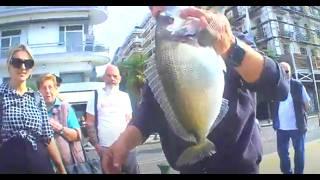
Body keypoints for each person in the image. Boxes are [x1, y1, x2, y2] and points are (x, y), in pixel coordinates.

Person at [102, 6, 290, 174]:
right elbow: (147, 115)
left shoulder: (234, 39)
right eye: (151, 7)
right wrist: (121, 145)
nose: (155, 10)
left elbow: (279, 88)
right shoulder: (161, 60)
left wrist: (230, 47)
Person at [0, 44, 66, 174]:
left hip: (39, 162)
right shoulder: (1, 95)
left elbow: (47, 137)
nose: (23, 67)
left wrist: (61, 168)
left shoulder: (37, 98)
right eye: (17, 62)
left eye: (27, 63)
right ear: (9, 65)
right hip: (9, 163)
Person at [86, 64, 140, 174]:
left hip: (126, 147)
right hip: (106, 149)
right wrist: (97, 147)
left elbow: (129, 121)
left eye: (115, 76)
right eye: (109, 76)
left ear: (120, 79)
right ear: (104, 78)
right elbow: (89, 123)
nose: (112, 79)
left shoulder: (125, 97)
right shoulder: (95, 96)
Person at [38, 73, 85, 173]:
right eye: (44, 88)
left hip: (69, 166)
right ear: (39, 91)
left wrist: (59, 128)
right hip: (46, 167)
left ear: (55, 89)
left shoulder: (65, 108)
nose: (47, 91)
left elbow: (77, 135)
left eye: (50, 87)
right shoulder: (35, 111)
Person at [272, 62, 310, 174]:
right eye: (282, 70)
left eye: (287, 71)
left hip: (297, 127)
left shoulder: (298, 85)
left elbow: (307, 104)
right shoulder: (276, 86)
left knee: (299, 152)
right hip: (281, 128)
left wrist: (302, 114)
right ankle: (287, 172)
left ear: (290, 72)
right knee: (282, 153)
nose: (285, 73)